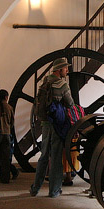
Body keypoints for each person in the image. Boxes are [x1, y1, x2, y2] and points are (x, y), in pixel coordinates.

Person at [30, 58, 74, 197]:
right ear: (59, 69)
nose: (67, 70)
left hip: (45, 124)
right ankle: (54, 190)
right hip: (57, 124)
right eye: (65, 68)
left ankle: (35, 188)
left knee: (43, 156)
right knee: (55, 158)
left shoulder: (45, 82)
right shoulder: (62, 84)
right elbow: (70, 104)